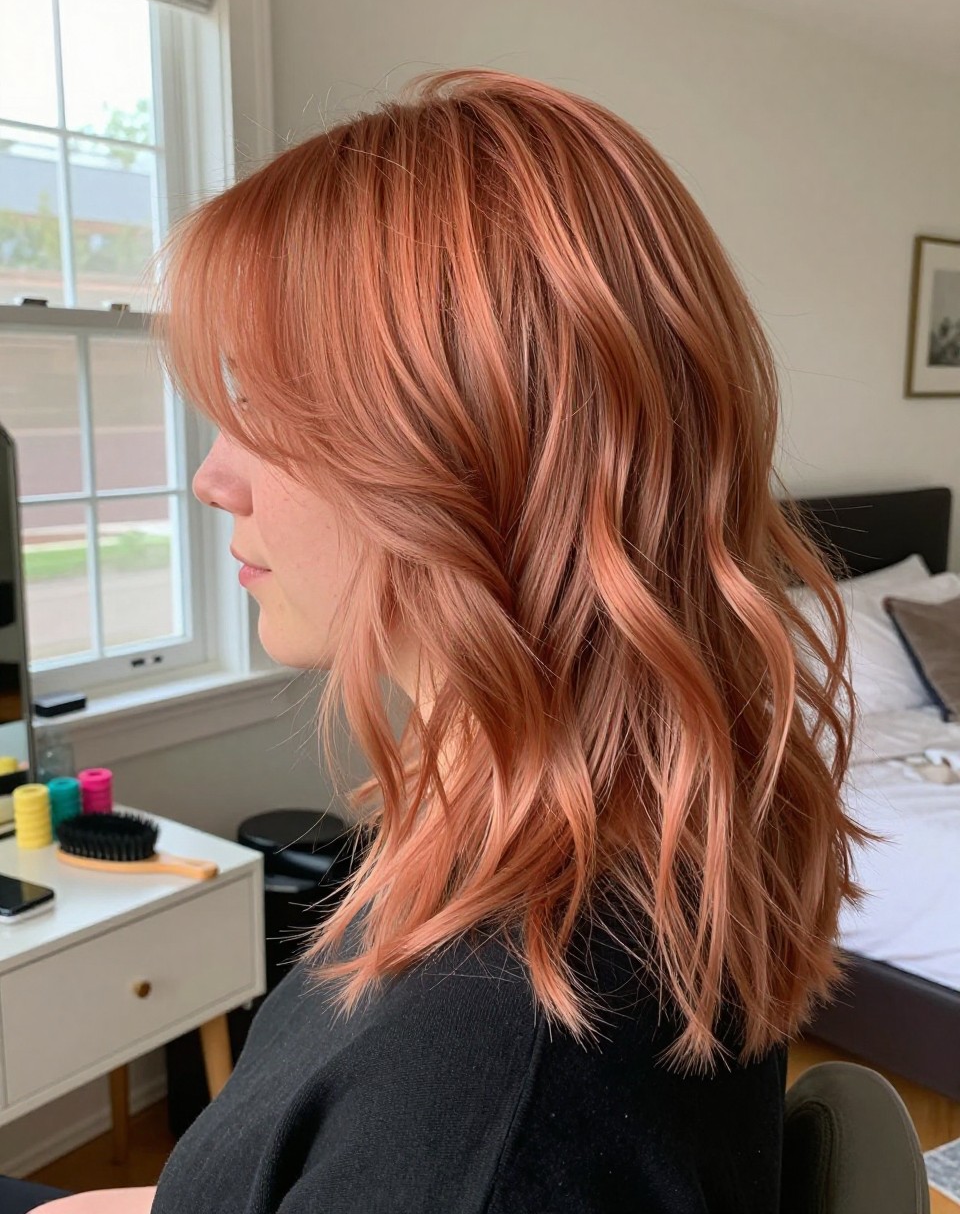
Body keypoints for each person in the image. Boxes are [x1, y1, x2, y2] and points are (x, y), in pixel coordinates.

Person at [20, 68, 870, 1213]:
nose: (214, 476)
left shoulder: (487, 1091)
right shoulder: (572, 825)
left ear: (470, 448)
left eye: (260, 409)